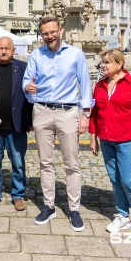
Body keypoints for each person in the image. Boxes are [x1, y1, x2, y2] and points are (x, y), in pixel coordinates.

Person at [22, 16, 92, 232]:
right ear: (41, 34)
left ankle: (74, 209)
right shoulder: (36, 54)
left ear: (60, 30)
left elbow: (85, 83)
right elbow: (26, 80)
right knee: (45, 162)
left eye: (53, 31)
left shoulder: (75, 54)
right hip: (42, 111)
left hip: (67, 112)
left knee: (71, 163)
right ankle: (49, 206)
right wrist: (28, 88)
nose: (49, 36)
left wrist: (85, 115)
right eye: (45, 33)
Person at [89, 49, 131, 239]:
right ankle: (123, 215)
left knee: (128, 181)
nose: (103, 66)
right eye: (102, 62)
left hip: (128, 141)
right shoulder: (100, 85)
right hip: (107, 140)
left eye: (107, 63)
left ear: (119, 64)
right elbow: (95, 112)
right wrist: (93, 137)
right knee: (115, 179)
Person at [0, 36, 33, 211]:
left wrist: (30, 121)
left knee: (18, 162)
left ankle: (18, 194)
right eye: (0, 48)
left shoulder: (23, 68)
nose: (3, 51)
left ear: (13, 50)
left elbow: (29, 98)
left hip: (16, 125)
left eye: (7, 48)